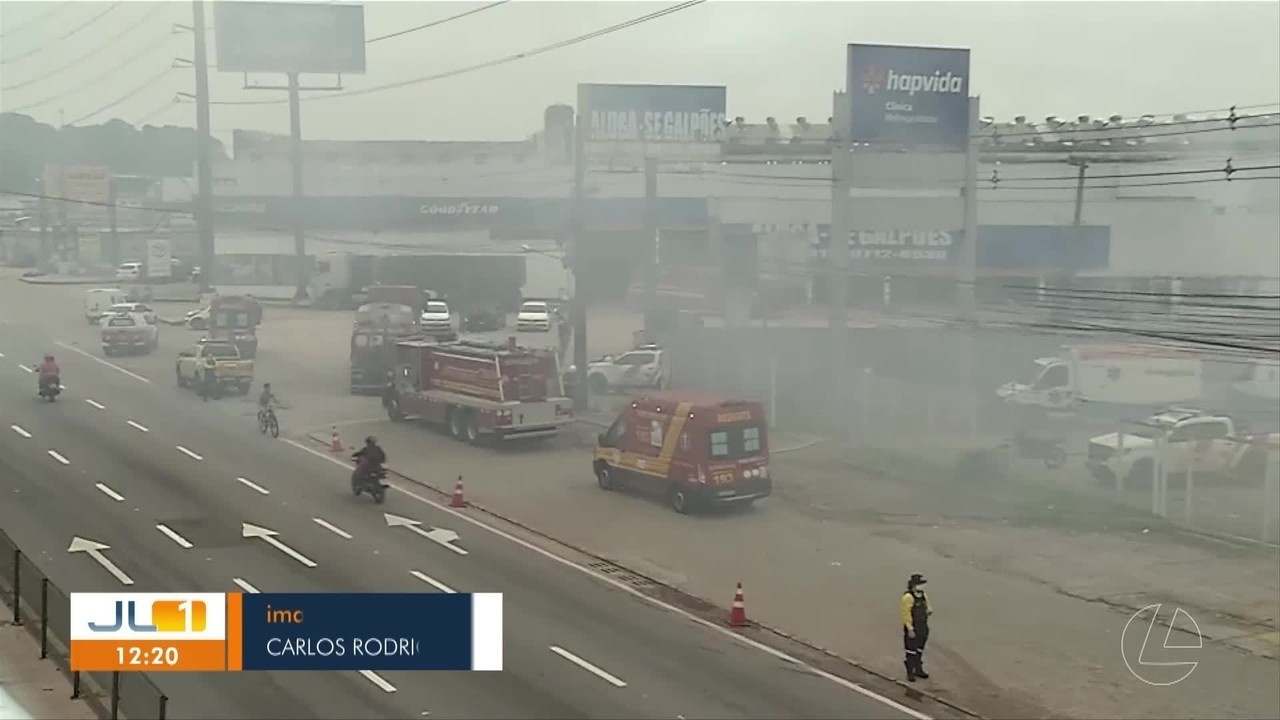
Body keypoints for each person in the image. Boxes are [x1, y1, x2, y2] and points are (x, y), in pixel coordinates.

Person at [901, 573, 933, 682]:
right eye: (920, 584)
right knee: (911, 650)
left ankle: (918, 668)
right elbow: (905, 614)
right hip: (913, 626)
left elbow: (928, 607)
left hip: (923, 626)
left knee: (919, 648)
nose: (922, 586)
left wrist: (928, 610)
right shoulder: (908, 597)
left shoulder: (923, 595)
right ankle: (910, 671)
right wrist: (910, 628)